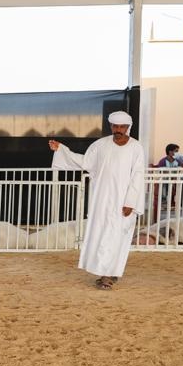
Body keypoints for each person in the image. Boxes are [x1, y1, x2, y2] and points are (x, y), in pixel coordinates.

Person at [48, 111, 146, 290]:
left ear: (128, 127)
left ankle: (111, 271)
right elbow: (85, 162)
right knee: (105, 234)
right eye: (115, 126)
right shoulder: (100, 145)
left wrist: (130, 201)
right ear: (111, 126)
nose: (118, 130)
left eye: (122, 127)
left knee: (118, 236)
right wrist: (62, 150)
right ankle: (106, 275)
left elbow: (138, 175)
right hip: (102, 199)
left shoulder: (136, 148)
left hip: (125, 201)